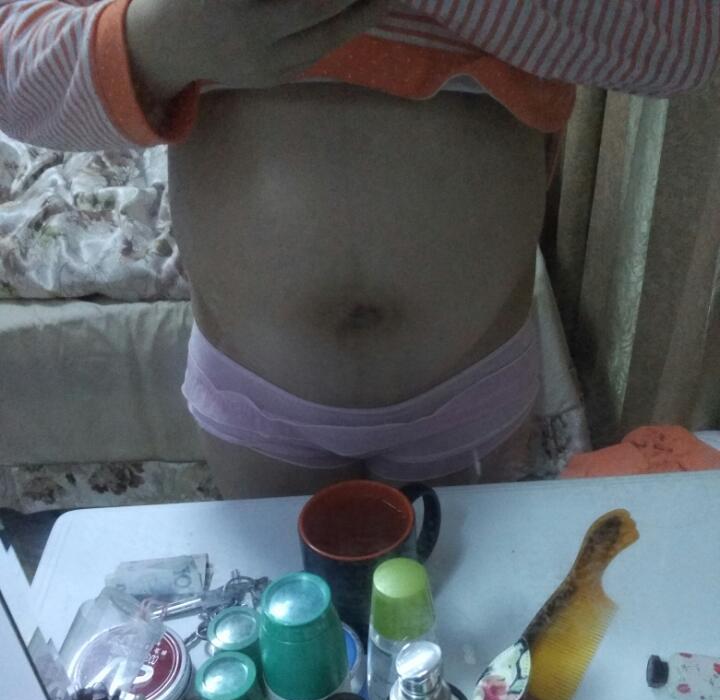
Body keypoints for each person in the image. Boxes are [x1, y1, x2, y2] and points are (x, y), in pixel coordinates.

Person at [2, 0, 718, 497]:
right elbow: (15, 63)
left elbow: (680, 46)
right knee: (289, 640)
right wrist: (151, 45)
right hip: (260, 394)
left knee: (464, 642)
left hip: (468, 383)